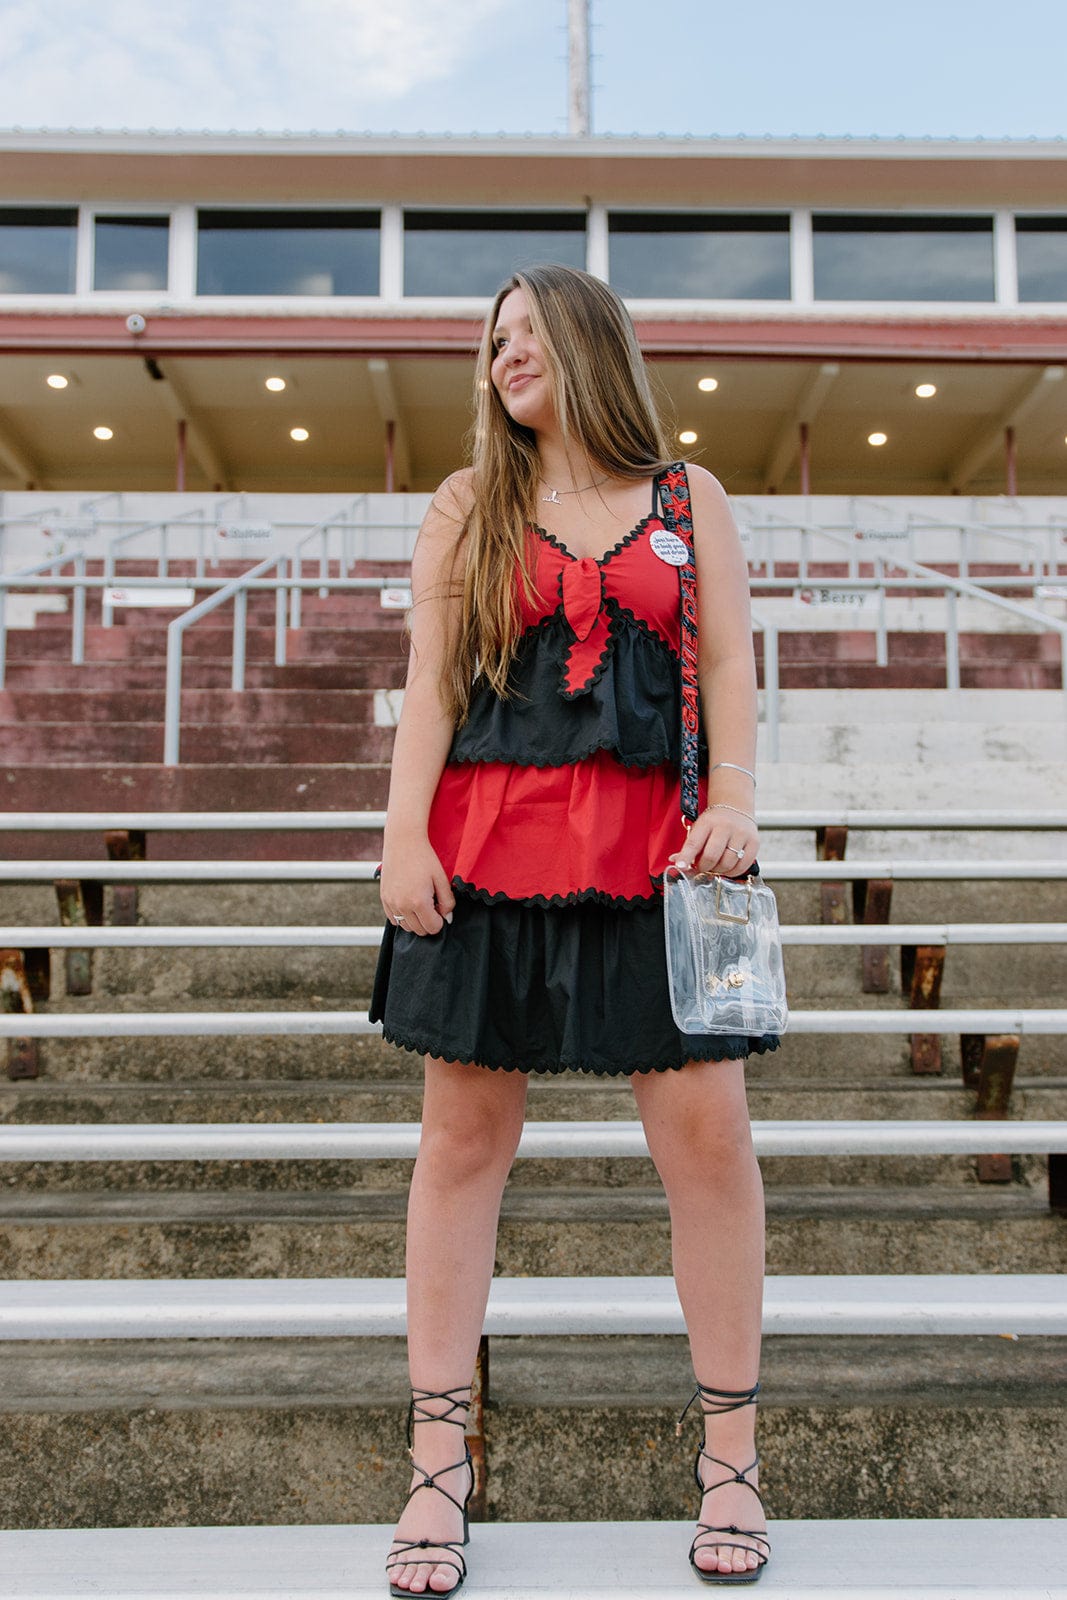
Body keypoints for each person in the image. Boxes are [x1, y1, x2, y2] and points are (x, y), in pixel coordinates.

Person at [371, 263, 778, 1594]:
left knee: (710, 1141)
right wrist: (400, 836)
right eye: (492, 342)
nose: (504, 358)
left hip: (655, 860)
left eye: (528, 334)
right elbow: (431, 690)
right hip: (485, 855)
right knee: (464, 1142)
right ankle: (439, 1470)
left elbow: (725, 669)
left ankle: (732, 1464)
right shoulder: (464, 505)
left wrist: (738, 804)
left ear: (593, 343)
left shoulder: (687, 498)